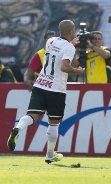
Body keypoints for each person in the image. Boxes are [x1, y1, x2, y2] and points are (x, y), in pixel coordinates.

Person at [7, 20, 85, 164]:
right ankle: (50, 155)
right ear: (70, 32)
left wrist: (71, 45)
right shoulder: (68, 47)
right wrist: (78, 70)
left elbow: (59, 52)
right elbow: (65, 67)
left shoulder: (51, 41)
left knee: (31, 116)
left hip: (41, 84)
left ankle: (17, 128)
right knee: (54, 123)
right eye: (73, 30)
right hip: (56, 89)